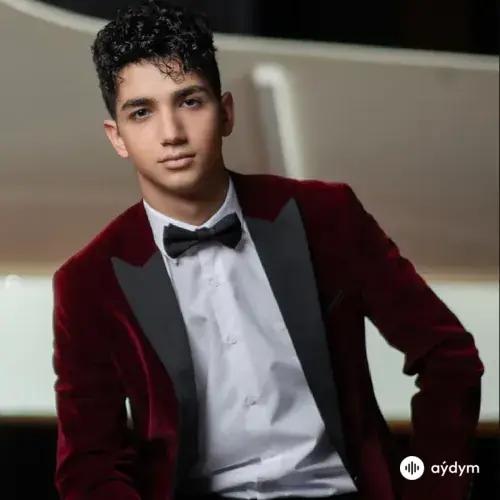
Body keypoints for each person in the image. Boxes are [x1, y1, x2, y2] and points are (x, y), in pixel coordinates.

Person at [51, 1, 484, 499]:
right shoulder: (88, 282)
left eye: (189, 101)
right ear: (117, 137)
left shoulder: (327, 216)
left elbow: (449, 355)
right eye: (142, 112)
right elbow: (89, 465)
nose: (171, 134)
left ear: (226, 112)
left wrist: (435, 485)